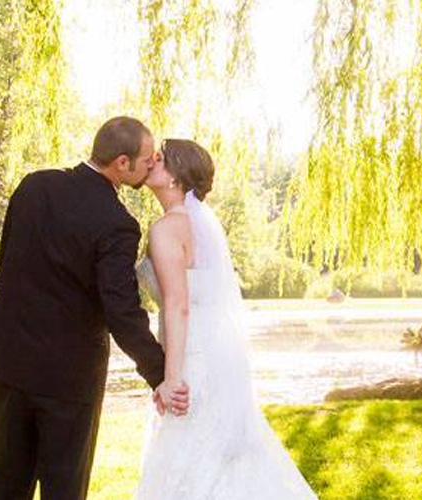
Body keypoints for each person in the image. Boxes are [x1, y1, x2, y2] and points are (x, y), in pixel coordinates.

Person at [0, 117, 189, 500]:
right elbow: (121, 312)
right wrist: (159, 373)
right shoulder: (117, 223)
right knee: (64, 490)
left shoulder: (33, 185)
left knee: (4, 486)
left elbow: (10, 261)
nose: (151, 164)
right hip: (67, 378)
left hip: (7, 361)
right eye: (145, 159)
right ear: (122, 164)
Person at [134, 139, 318, 499]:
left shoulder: (169, 227)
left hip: (189, 353)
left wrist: (170, 379)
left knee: (189, 448)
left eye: (162, 158)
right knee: (215, 450)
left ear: (176, 178)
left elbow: (177, 305)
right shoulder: (195, 226)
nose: (153, 159)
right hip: (209, 349)